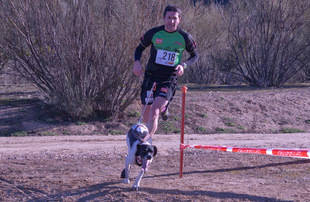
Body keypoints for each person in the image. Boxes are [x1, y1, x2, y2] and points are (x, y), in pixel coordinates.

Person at [133, 5, 198, 142]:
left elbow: (194, 56)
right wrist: (137, 62)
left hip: (169, 78)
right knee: (146, 113)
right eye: (169, 18)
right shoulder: (154, 33)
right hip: (151, 76)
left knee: (154, 111)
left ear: (179, 20)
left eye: (174, 18)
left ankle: (145, 143)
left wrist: (183, 65)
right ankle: (164, 109)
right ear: (164, 18)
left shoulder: (184, 37)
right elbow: (139, 49)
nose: (171, 21)